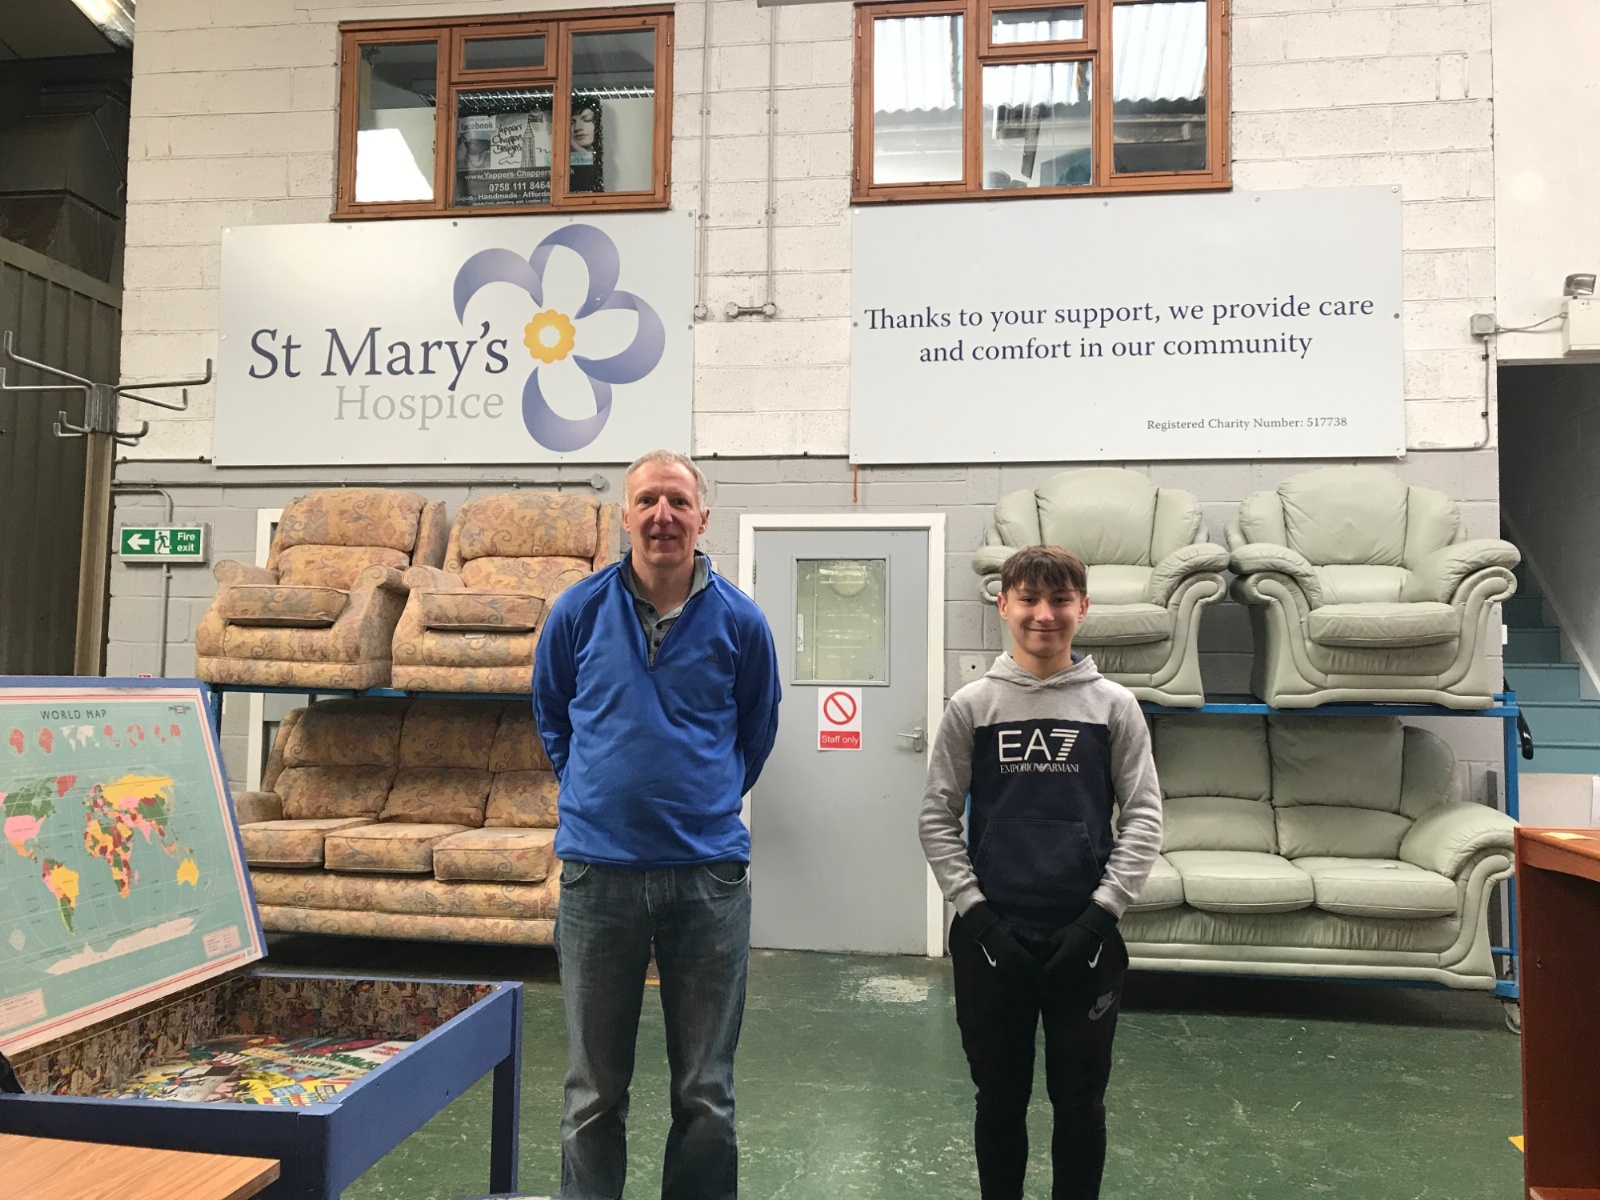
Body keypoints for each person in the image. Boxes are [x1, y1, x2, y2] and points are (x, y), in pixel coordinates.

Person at [533, 449, 781, 1200]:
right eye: (647, 501)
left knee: (706, 1093)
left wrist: (701, 796)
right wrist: (595, 791)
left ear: (703, 516)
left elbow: (757, 729)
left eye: (677, 500)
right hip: (597, 876)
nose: (662, 515)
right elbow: (552, 715)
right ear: (625, 516)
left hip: (707, 878)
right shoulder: (577, 611)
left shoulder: (741, 621)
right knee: (592, 1093)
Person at [919, 544, 1162, 1200]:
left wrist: (1098, 919)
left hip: (1085, 943)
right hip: (991, 943)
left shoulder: (1115, 707)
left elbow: (1144, 818)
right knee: (999, 1101)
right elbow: (937, 818)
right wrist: (979, 918)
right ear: (1004, 605)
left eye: (1060, 600)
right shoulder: (972, 706)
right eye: (1029, 599)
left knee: (1080, 1103)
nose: (1044, 614)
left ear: (1083, 607)